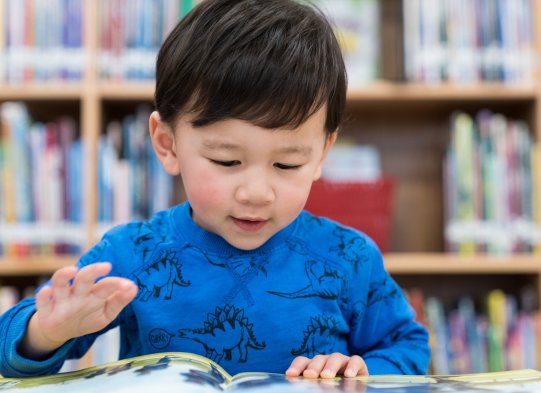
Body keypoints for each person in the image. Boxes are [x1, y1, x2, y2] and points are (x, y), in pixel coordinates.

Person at [0, 0, 430, 379]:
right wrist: (47, 332)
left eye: (287, 164)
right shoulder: (134, 252)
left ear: (322, 153)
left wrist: (364, 370)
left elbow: (409, 348)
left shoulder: (351, 258)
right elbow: (9, 351)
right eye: (227, 162)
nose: (257, 192)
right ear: (167, 144)